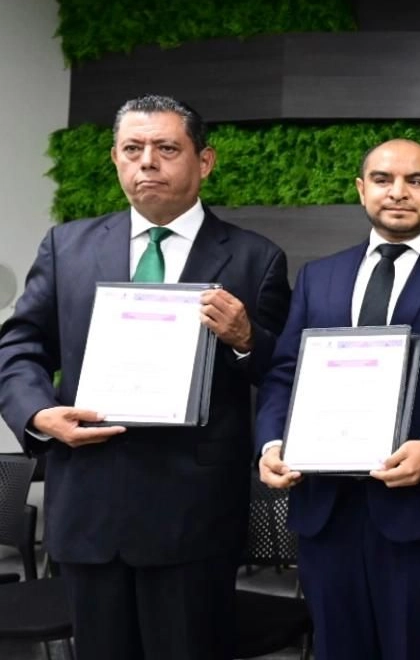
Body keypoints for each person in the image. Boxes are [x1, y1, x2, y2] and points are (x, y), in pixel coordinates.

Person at [0, 94, 291, 660]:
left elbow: (282, 372)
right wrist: (37, 413)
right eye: (132, 149)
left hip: (192, 513)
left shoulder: (257, 258)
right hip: (89, 502)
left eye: (165, 148)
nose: (147, 162)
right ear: (115, 159)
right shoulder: (67, 247)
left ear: (203, 161)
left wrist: (246, 338)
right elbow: (20, 344)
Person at [256, 138, 420, 659]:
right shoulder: (318, 276)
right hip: (324, 505)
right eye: (383, 179)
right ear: (361, 189)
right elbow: (285, 372)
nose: (398, 192)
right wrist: (272, 442)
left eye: (416, 181)